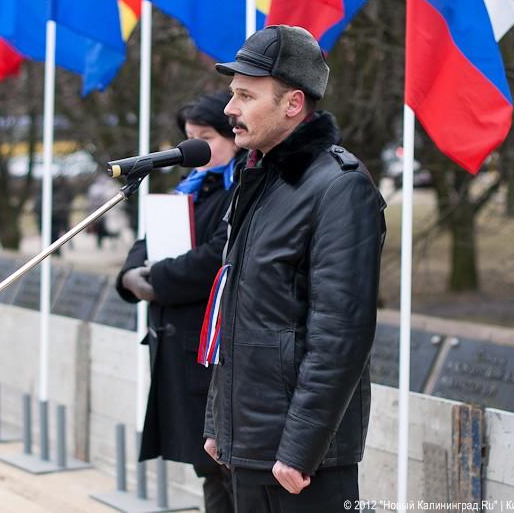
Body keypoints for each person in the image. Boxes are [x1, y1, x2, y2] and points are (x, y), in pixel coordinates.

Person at [201, 25, 387, 512]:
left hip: (301, 463)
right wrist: (219, 423)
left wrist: (301, 449)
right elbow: (235, 311)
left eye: (246, 94)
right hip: (250, 444)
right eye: (231, 93)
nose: (230, 109)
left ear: (292, 103)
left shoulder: (340, 187)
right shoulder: (258, 174)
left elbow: (340, 334)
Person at [116, 91, 241, 513]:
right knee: (204, 465)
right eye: (190, 137)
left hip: (211, 350)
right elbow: (147, 242)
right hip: (174, 343)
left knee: (228, 463)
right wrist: (131, 275)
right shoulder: (189, 186)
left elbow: (217, 257)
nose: (197, 147)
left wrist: (158, 281)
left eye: (206, 137)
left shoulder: (240, 188)